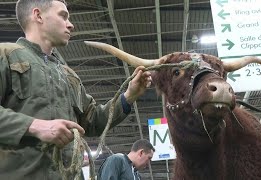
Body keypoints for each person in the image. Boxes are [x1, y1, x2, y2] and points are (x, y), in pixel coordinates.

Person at [0, 0, 152, 179]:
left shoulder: (68, 76)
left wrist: (129, 95)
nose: (70, 25)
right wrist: (35, 126)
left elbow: (94, 121)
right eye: (63, 16)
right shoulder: (6, 56)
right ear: (38, 15)